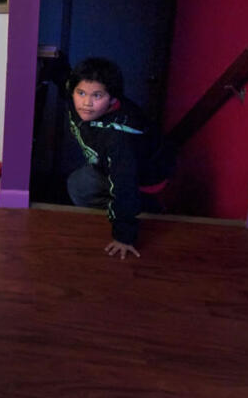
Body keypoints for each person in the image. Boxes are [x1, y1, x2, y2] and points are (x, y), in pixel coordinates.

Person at [63, 57, 171, 259]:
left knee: (83, 186)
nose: (87, 103)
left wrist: (124, 236)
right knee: (79, 182)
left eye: (97, 95)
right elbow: (65, 80)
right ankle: (124, 209)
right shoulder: (75, 100)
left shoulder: (119, 137)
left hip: (143, 180)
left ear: (112, 99)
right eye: (81, 93)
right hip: (113, 166)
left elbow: (124, 182)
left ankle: (145, 207)